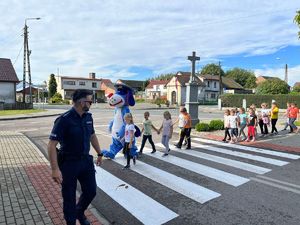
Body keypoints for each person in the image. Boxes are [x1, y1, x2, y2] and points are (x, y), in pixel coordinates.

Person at [48, 89, 103, 225]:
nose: (91, 104)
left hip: (85, 161)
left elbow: (92, 135)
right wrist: (55, 169)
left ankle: (79, 211)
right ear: (81, 102)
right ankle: (71, 222)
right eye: (90, 101)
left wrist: (100, 152)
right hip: (69, 163)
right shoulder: (64, 120)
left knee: (91, 191)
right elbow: (51, 145)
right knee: (69, 198)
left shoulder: (88, 117)